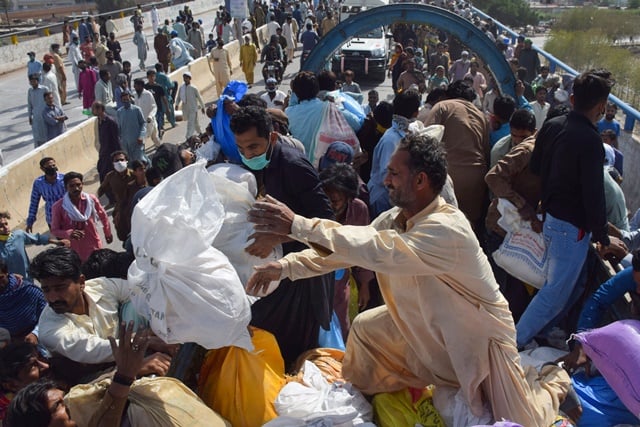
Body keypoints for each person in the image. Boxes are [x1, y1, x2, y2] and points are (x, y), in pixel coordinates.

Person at [246, 132, 571, 426]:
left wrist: (297, 226)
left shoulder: (447, 229)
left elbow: (378, 250)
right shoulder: (393, 219)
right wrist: (285, 268)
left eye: (394, 173)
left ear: (420, 181)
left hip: (475, 339)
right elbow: (348, 252)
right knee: (365, 329)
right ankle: (361, 395)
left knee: (524, 421)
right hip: (426, 325)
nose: (384, 180)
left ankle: (552, 379)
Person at [230, 106, 335, 367]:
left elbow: (328, 224)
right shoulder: (255, 166)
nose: (247, 155)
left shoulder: (293, 166)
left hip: (302, 277)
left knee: (291, 350)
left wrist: (278, 238)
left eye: (253, 147)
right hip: (274, 272)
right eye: (241, 149)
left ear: (273, 138)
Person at [519, 69, 615, 348]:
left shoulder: (552, 126)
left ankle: (540, 332)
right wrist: (601, 235)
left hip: (551, 218)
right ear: (601, 107)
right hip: (570, 229)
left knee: (567, 284)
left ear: (572, 98)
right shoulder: (590, 141)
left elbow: (536, 168)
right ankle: (512, 343)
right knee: (554, 293)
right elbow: (593, 194)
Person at [424, 80, 490, 230]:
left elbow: (425, 138)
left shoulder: (443, 106)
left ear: (447, 95)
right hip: (477, 178)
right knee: (468, 228)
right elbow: (486, 151)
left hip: (448, 176)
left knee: (442, 226)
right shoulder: (481, 115)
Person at [319, 163, 374, 339]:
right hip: (314, 277)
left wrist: (364, 284)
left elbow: (363, 249)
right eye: (325, 198)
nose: (328, 204)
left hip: (340, 282)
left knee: (342, 327)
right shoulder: (314, 206)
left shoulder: (359, 210)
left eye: (334, 201)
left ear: (348, 198)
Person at [368, 90, 421, 217]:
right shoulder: (391, 140)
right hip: (383, 199)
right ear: (416, 113)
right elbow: (385, 177)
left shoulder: (409, 132)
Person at [51, 173, 112, 262]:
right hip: (75, 250)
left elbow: (103, 216)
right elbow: (54, 230)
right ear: (65, 187)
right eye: (72, 186)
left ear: (82, 184)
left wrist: (107, 232)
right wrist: (69, 233)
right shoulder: (59, 207)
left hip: (94, 244)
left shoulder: (91, 200)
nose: (76, 188)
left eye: (78, 185)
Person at [0, 211, 68, 278]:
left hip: (27, 280)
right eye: (1, 226)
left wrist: (56, 242)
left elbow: (37, 239)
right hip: (10, 286)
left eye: (6, 224)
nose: (6, 227)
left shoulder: (18, 235)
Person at [0, 341, 50, 423]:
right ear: (11, 385)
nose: (45, 366)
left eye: (40, 358)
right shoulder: (12, 419)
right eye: (33, 365)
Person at [0, 260, 47, 345]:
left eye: (0, 278)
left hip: (35, 341)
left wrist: (35, 334)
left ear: (6, 273)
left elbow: (48, 317)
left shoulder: (29, 291)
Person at [97, 151, 136, 242]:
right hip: (120, 210)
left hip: (134, 208)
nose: (119, 162)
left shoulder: (134, 175)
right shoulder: (110, 177)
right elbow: (101, 190)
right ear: (113, 163)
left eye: (122, 160)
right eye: (116, 160)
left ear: (126, 161)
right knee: (123, 236)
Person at [26, 157, 65, 233]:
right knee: (62, 242)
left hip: (67, 217)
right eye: (49, 167)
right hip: (52, 219)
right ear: (42, 169)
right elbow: (34, 203)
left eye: (53, 165)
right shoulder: (38, 183)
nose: (52, 168)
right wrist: (30, 222)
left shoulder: (64, 179)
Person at [92, 101, 122, 184]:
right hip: (103, 154)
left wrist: (118, 155)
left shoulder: (110, 122)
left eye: (94, 109)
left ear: (100, 109)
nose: (92, 111)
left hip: (111, 155)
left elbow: (116, 140)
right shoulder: (98, 121)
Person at [117, 90, 148, 164]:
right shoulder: (119, 112)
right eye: (124, 100)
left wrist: (141, 136)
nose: (126, 101)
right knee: (129, 162)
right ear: (121, 100)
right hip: (125, 143)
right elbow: (119, 128)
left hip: (137, 141)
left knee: (140, 161)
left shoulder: (137, 109)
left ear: (130, 99)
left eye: (127, 99)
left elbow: (143, 123)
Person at [175, 72, 205, 139]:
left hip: (193, 108)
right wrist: (176, 104)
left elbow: (199, 98)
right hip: (185, 109)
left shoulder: (193, 88)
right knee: (195, 122)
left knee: (190, 123)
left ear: (189, 78)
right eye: (184, 78)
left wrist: (203, 107)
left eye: (186, 78)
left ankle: (188, 137)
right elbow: (179, 97)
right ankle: (200, 133)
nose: (185, 79)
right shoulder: (182, 88)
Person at [133, 78, 161, 147]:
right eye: (134, 86)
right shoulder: (135, 95)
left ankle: (162, 149)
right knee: (142, 139)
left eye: (136, 86)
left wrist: (150, 116)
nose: (135, 87)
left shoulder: (148, 94)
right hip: (140, 123)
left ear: (141, 86)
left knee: (155, 138)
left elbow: (154, 107)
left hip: (149, 121)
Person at [145, 69, 169, 139]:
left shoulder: (159, 87)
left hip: (159, 108)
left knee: (159, 122)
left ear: (155, 77)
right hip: (150, 109)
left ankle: (159, 136)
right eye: (150, 77)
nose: (151, 78)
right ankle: (158, 134)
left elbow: (164, 98)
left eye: (153, 76)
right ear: (147, 77)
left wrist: (167, 108)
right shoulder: (145, 87)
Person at [27, 74, 49, 147]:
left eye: (34, 81)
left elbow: (49, 100)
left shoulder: (44, 89)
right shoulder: (30, 91)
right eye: (31, 81)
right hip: (36, 116)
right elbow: (30, 104)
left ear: (37, 81)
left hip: (44, 115)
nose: (33, 83)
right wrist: (30, 116)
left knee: (46, 133)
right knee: (37, 135)